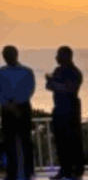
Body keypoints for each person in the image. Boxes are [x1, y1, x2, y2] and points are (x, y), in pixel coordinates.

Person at [46, 46, 85, 180]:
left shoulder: (75, 72)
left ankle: (77, 170)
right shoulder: (58, 70)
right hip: (59, 108)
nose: (56, 58)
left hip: (71, 109)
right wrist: (54, 83)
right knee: (60, 141)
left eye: (59, 55)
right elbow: (49, 86)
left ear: (66, 56)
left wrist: (53, 82)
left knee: (73, 139)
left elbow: (68, 89)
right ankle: (64, 169)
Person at [0, 46, 35, 180]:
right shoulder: (3, 72)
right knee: (10, 142)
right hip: (12, 109)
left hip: (18, 109)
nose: (7, 57)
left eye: (9, 54)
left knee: (25, 141)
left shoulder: (26, 71)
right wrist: (12, 105)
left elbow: (29, 90)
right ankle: (13, 172)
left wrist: (12, 105)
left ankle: (26, 171)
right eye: (6, 54)